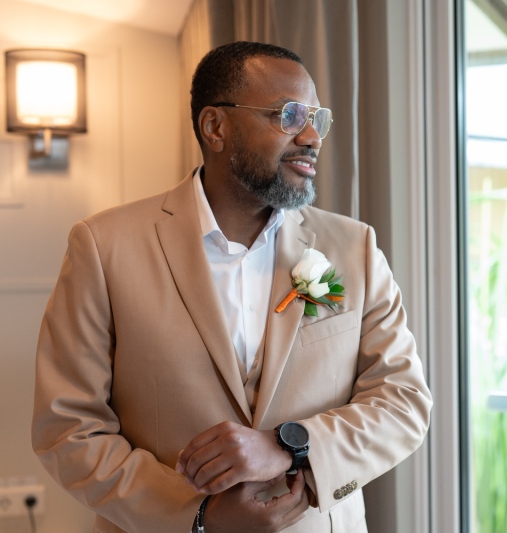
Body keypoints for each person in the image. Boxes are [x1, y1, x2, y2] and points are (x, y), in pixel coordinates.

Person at [31, 41, 432, 533]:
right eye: (288, 115)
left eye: (316, 118)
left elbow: (403, 402)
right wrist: (197, 515)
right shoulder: (103, 246)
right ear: (215, 127)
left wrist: (288, 446)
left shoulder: (354, 247)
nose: (311, 136)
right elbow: (68, 428)